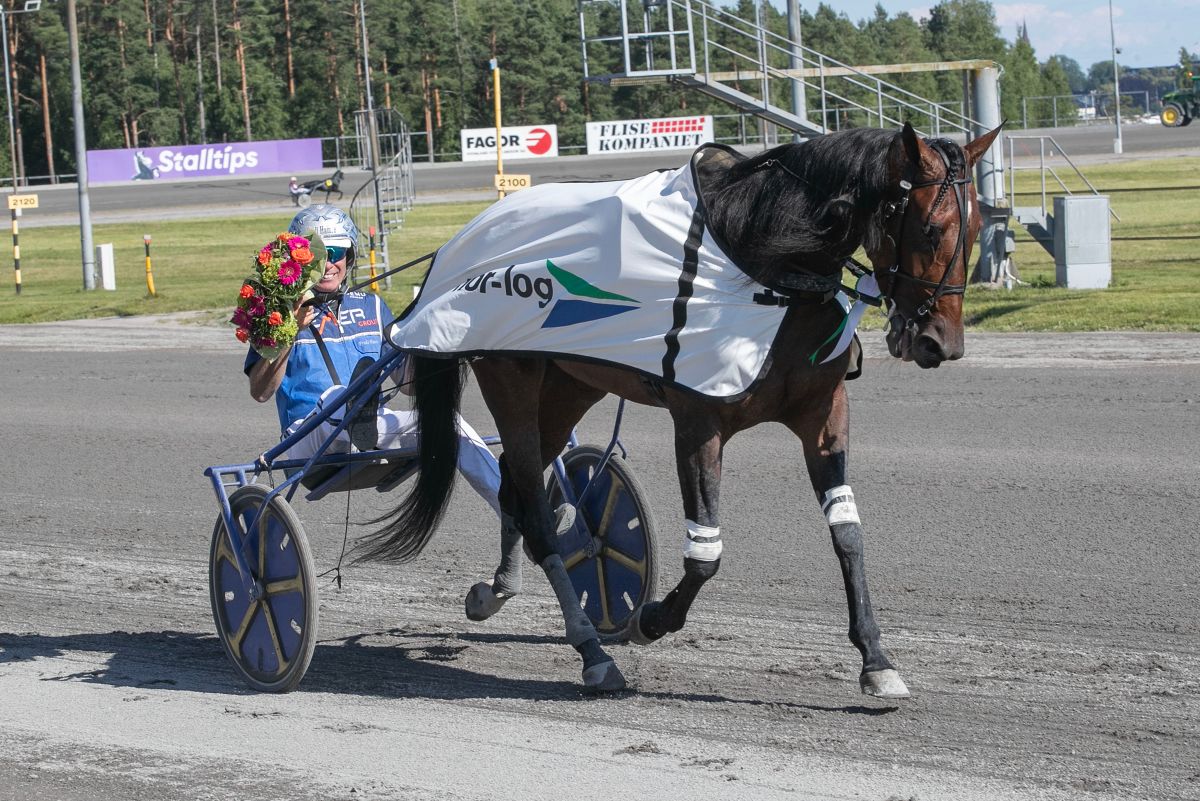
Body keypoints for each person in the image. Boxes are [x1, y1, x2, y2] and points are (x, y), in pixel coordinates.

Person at [244, 204, 501, 517]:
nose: (328, 263)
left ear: (350, 257)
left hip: (372, 431)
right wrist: (290, 331)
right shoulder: (276, 312)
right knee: (337, 397)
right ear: (298, 261)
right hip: (305, 439)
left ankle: (518, 513)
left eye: (336, 252)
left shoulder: (373, 307)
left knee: (450, 424)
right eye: (315, 254)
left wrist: (449, 346)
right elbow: (259, 391)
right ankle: (354, 411)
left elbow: (408, 383)